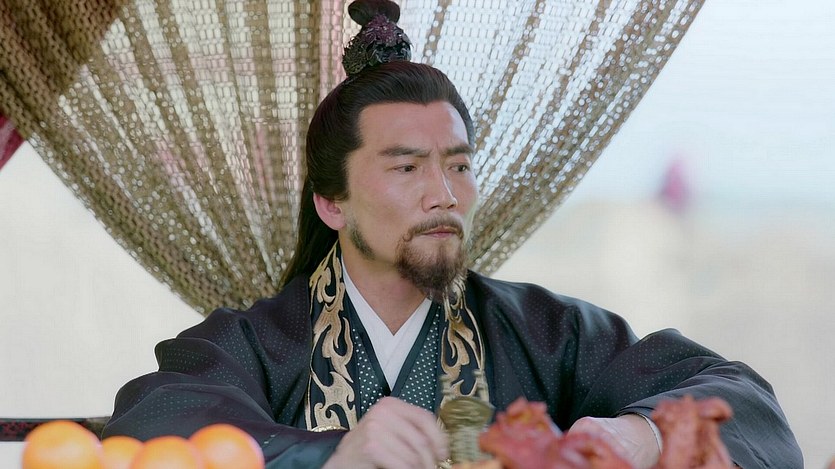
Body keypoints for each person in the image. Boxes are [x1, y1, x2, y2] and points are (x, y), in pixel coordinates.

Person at [102, 1, 803, 468]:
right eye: (406, 167)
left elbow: (743, 401)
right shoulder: (257, 343)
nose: (444, 193)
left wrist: (640, 433)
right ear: (331, 203)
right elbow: (152, 423)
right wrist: (333, 454)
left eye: (459, 165)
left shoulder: (546, 334)